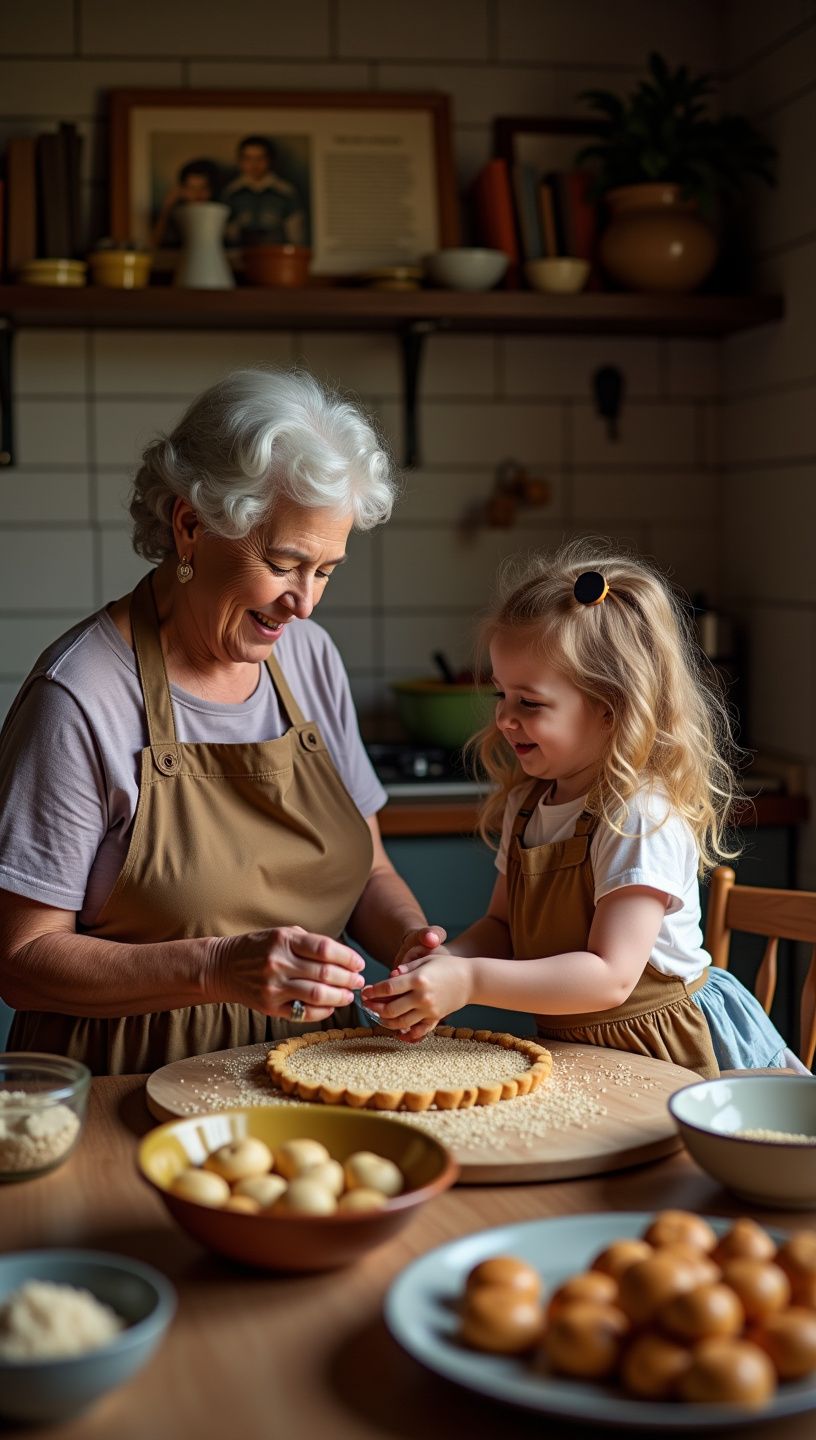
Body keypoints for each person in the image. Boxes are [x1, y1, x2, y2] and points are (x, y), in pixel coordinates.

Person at [0, 369, 441, 1075]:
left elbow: (369, 869)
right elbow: (20, 960)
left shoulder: (310, 661)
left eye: (326, 570)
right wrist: (213, 968)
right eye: (284, 564)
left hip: (317, 1068)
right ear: (190, 526)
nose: (305, 604)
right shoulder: (79, 696)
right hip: (128, 1080)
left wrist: (418, 941)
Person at [363, 540, 804, 1078]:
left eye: (530, 702)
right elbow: (501, 925)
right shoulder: (528, 804)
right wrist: (450, 962)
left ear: (610, 709)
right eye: (502, 694)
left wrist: (474, 982)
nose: (503, 718)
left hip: (671, 1053)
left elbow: (610, 976)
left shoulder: (637, 814)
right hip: (586, 1050)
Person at [222, 136, 305, 247]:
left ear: (270, 160)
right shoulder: (232, 192)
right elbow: (228, 231)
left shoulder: (285, 191)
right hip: (243, 253)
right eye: (248, 158)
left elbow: (295, 230)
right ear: (240, 161)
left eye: (260, 158)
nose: (254, 164)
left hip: (276, 253)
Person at [151, 157, 221, 248]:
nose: (197, 194)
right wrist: (166, 208)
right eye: (191, 188)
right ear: (182, 189)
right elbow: (152, 245)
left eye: (203, 188)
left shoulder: (220, 213)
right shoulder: (174, 214)